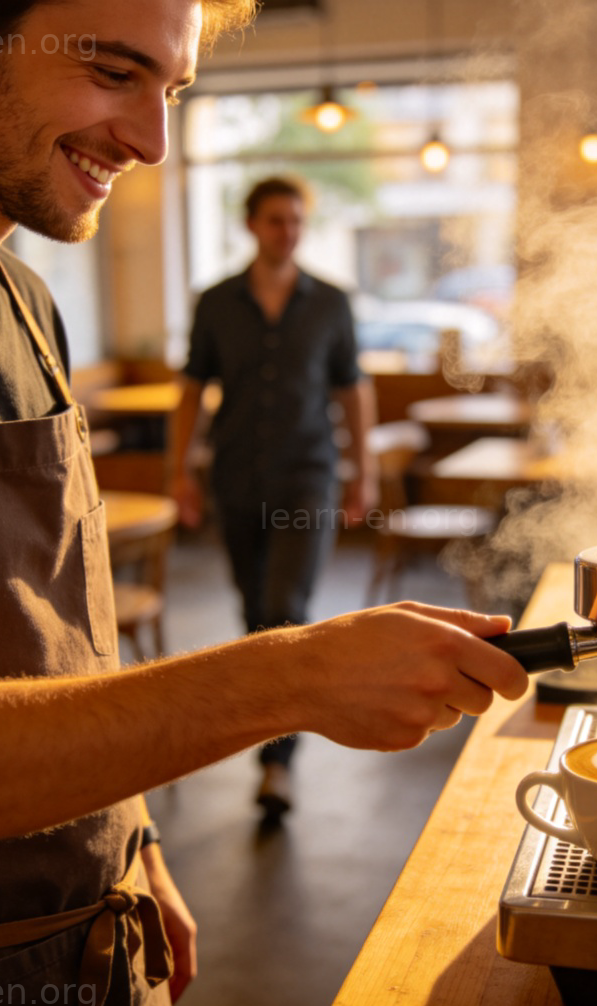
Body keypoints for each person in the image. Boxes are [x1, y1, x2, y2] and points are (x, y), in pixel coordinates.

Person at [0, 1, 527, 1006]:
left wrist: (134, 839)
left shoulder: (29, 305)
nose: (151, 143)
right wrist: (289, 673)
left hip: (97, 945)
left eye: (169, 92)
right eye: (112, 72)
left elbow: (65, 632)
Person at [174, 176, 377, 821]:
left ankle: (275, 766)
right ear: (251, 225)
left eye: (295, 221)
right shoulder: (215, 303)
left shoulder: (331, 303)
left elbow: (352, 391)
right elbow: (190, 391)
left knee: (287, 609)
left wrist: (361, 473)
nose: (286, 232)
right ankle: (270, 728)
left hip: (306, 480)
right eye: (274, 221)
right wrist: (178, 474)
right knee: (254, 612)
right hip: (236, 479)